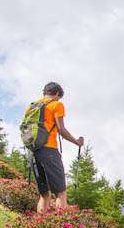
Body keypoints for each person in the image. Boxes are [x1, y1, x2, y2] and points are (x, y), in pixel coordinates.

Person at [28, 82, 84, 213]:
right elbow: (61, 129)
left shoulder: (31, 106)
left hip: (33, 151)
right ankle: (61, 227)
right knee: (60, 193)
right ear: (57, 94)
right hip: (49, 151)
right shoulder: (56, 104)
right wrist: (77, 142)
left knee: (44, 194)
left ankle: (40, 224)